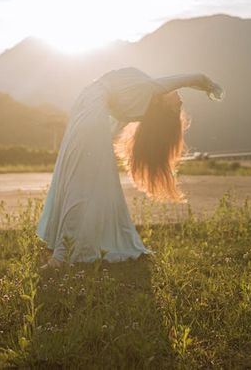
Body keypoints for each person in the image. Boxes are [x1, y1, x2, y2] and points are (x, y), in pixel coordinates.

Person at [36, 66, 223, 266]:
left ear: (163, 104)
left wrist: (210, 85)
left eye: (177, 106)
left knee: (81, 185)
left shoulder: (150, 90)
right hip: (89, 110)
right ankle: (65, 246)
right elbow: (115, 121)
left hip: (88, 110)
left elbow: (192, 77)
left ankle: (63, 253)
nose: (181, 100)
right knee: (81, 183)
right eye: (179, 102)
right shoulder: (143, 95)